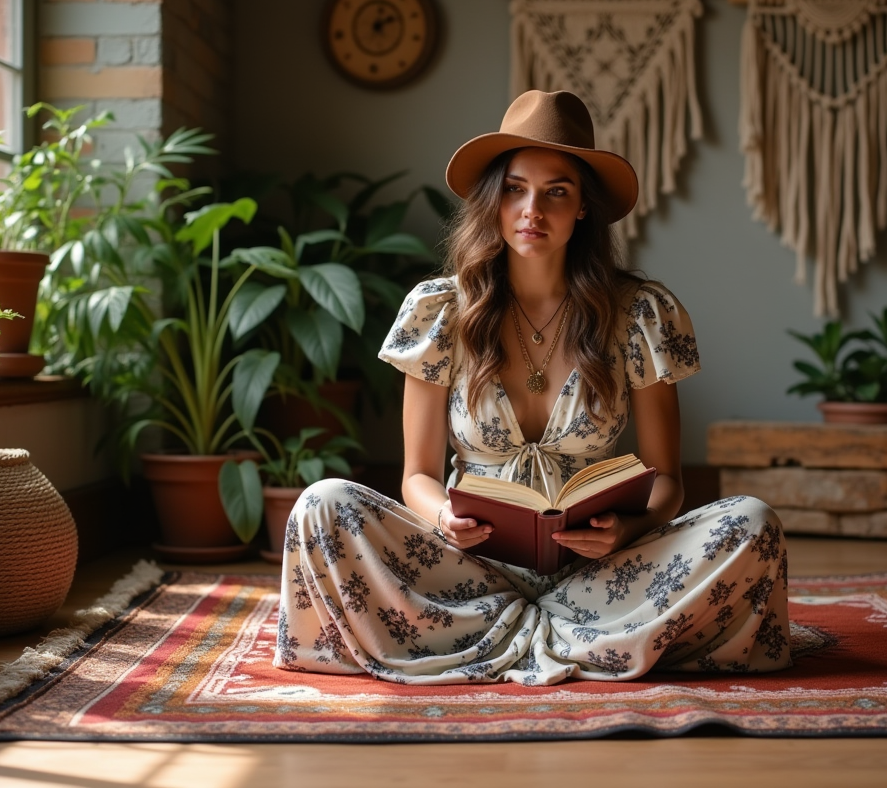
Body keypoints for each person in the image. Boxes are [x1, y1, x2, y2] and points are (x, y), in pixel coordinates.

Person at [274, 90, 791, 685]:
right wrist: (443, 516)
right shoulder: (440, 310)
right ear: (493, 202)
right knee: (321, 505)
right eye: (515, 189)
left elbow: (667, 480)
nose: (532, 210)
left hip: (604, 575)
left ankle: (487, 641)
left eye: (557, 192)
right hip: (466, 571)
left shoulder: (640, 313)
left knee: (751, 522)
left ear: (584, 210)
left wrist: (627, 529)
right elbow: (415, 474)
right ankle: (591, 646)